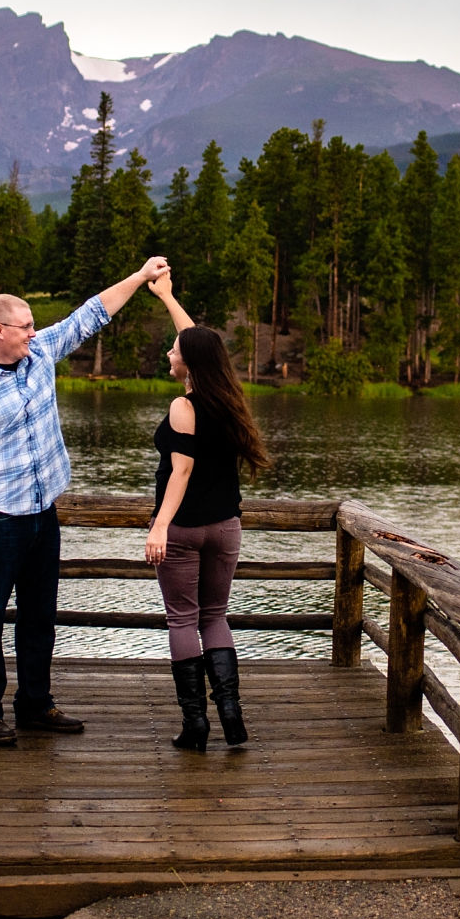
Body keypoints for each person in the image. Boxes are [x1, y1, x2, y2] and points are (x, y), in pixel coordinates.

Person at [0, 257, 171, 745]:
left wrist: (140, 275)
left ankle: (35, 704)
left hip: (43, 514)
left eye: (32, 325)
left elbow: (91, 314)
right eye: (24, 326)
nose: (33, 332)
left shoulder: (40, 352)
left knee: (39, 615)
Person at [143, 270, 271, 751]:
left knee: (182, 620)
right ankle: (233, 721)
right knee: (215, 617)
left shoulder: (185, 406)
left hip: (183, 531)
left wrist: (159, 528)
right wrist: (169, 297)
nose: (170, 353)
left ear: (190, 363)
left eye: (175, 351)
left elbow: (179, 474)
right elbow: (197, 341)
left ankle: (196, 725)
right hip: (226, 528)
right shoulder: (228, 398)